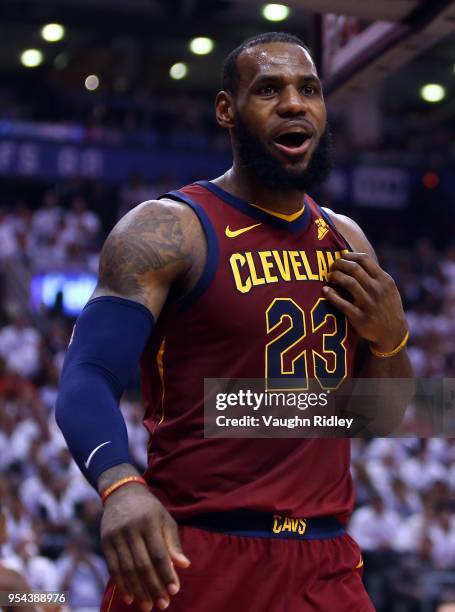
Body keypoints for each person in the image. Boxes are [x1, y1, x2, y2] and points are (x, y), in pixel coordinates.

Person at [56, 32, 413, 611]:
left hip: (325, 560)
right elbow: (86, 376)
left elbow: (384, 416)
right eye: (269, 89)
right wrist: (120, 485)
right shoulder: (169, 229)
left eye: (310, 90)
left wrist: (392, 337)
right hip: (199, 548)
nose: (295, 104)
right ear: (227, 110)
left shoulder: (349, 242)